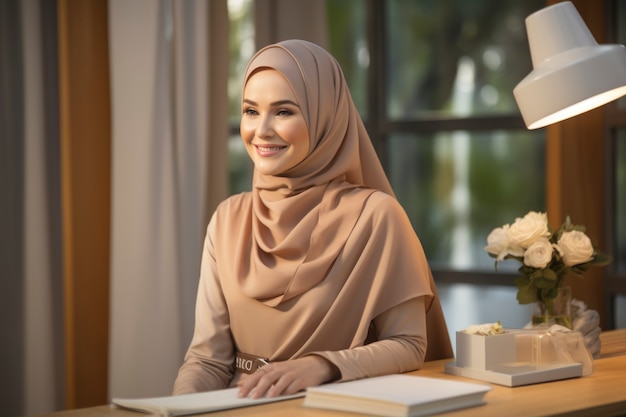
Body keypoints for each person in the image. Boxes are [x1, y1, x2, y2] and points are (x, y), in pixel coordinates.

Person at [173, 39, 452, 399]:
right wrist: (177, 407)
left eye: (284, 111)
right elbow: (207, 361)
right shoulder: (227, 220)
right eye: (250, 111)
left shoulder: (376, 216)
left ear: (325, 118)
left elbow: (409, 344)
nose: (262, 130)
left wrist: (321, 366)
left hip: (332, 406)